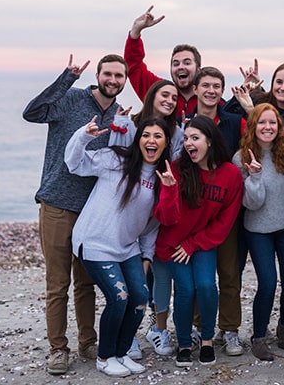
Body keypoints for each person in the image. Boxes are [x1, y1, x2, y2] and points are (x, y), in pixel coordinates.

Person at [23, 54, 127, 374]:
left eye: (119, 76)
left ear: (124, 81)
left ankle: (87, 341)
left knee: (86, 283)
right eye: (108, 74)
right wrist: (67, 77)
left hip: (92, 211)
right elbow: (32, 113)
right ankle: (58, 348)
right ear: (98, 75)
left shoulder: (119, 116)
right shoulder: (71, 99)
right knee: (58, 285)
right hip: (56, 203)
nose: (113, 80)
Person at [65, 117, 171, 377]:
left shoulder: (162, 179)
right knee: (119, 298)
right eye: (146, 135)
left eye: (158, 136)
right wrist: (83, 136)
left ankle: (122, 353)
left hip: (127, 247)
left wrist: (147, 256)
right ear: (138, 139)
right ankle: (105, 356)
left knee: (140, 299)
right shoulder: (117, 160)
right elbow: (74, 164)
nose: (151, 141)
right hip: (94, 242)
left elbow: (151, 225)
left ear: (165, 143)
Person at [153, 116, 244, 367]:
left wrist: (193, 244)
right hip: (172, 244)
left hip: (201, 242)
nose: (188, 143)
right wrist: (170, 190)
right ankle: (183, 342)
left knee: (206, 286)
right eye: (185, 139)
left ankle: (206, 340)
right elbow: (166, 218)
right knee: (185, 289)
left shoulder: (230, 175)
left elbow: (224, 222)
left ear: (210, 141)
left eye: (195, 138)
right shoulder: (177, 168)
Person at [108, 78, 183, 357]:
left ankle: (156, 328)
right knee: (128, 278)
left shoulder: (177, 133)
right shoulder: (131, 123)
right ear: (152, 95)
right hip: (128, 209)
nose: (170, 101)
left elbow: (175, 168)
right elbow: (117, 159)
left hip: (158, 208)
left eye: (174, 98)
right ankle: (126, 335)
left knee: (155, 273)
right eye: (165, 94)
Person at [232, 104, 284, 361]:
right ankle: (259, 337)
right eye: (262, 122)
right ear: (253, 125)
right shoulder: (241, 158)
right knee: (268, 283)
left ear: (279, 127)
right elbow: (252, 203)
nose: (268, 127)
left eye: (272, 123)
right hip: (258, 229)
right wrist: (254, 178)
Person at [186, 66, 247, 356]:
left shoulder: (235, 122)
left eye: (217, 86)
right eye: (206, 85)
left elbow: (262, 138)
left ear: (222, 91)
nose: (211, 91)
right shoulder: (186, 123)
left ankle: (230, 329)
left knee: (230, 272)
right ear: (195, 89)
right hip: (195, 212)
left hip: (228, 211)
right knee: (202, 276)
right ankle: (199, 326)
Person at [124, 5, 204, 117]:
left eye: (187, 62)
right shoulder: (158, 91)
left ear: (198, 69)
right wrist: (136, 32)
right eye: (175, 64)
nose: (181, 66)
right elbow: (133, 66)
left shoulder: (210, 97)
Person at [224, 60, 284, 139]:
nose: (283, 88)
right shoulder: (256, 102)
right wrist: (244, 90)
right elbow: (224, 116)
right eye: (279, 82)